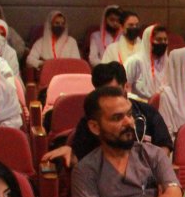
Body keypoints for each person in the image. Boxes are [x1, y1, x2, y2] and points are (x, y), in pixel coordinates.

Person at [71, 86, 182, 197]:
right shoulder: (85, 170)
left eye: (129, 115)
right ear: (95, 127)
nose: (128, 122)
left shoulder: (153, 155)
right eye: (117, 118)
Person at [42, 62, 173, 169]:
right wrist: (70, 156)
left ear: (125, 87)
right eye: (103, 92)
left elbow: (164, 146)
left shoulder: (147, 112)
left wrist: (150, 168)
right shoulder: (91, 121)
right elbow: (79, 159)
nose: (109, 97)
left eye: (113, 91)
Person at [124, 24, 170, 101]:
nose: (163, 43)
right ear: (148, 41)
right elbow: (124, 89)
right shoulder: (134, 61)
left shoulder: (168, 63)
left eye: (165, 40)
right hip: (139, 104)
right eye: (159, 40)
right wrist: (141, 101)